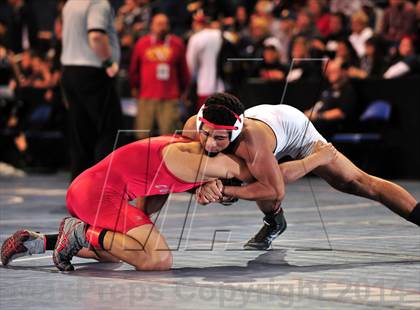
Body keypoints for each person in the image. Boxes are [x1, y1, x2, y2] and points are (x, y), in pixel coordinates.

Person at [1, 120, 337, 271]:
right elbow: (274, 184)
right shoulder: (205, 159)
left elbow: (153, 198)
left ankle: (40, 242)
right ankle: (77, 232)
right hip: (97, 195)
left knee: (118, 254)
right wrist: (315, 160)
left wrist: (206, 189)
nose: (217, 146)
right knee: (157, 259)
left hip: (94, 191)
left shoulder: (191, 149)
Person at [182, 93, 420, 250]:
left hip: (295, 130)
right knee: (209, 169)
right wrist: (202, 185)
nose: (210, 143)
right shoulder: (193, 127)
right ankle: (275, 220)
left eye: (219, 138)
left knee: (356, 182)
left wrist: (317, 159)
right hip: (268, 124)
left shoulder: (252, 143)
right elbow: (180, 169)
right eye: (206, 133)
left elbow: (275, 187)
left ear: (234, 133)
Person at [61, 0, 123, 180]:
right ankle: (104, 186)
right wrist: (109, 63)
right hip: (93, 71)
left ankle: (79, 190)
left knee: (81, 134)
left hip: (70, 70)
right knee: (109, 131)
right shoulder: (98, 3)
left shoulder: (71, 3)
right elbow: (96, 35)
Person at [129, 13, 190, 140]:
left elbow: (184, 71)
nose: (162, 27)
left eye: (165, 24)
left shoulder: (177, 44)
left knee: (169, 137)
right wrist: (134, 87)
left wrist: (183, 91)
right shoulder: (142, 43)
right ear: (151, 26)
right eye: (159, 24)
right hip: (146, 96)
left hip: (169, 97)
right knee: (142, 136)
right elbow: (134, 69)